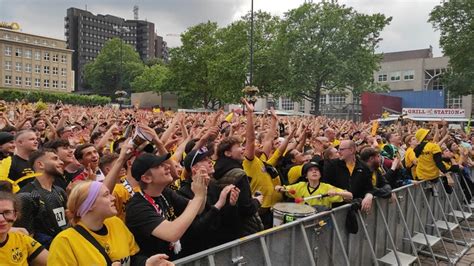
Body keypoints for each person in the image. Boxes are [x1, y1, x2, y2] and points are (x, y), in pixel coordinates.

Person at [48, 181, 174, 265]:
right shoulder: (64, 242)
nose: (113, 198)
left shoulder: (116, 223)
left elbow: (132, 258)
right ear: (89, 204)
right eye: (106, 195)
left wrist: (146, 263)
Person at [125, 153, 207, 260]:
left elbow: (198, 209)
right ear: (146, 178)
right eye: (159, 165)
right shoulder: (136, 208)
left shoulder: (164, 193)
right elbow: (172, 233)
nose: (168, 166)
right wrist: (199, 196)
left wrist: (203, 187)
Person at [15, 149, 68, 248]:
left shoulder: (60, 191)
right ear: (40, 164)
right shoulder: (26, 196)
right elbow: (26, 239)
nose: (61, 162)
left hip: (64, 248)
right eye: (55, 158)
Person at [322, 140, 374, 212]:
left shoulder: (364, 167)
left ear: (351, 150)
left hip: (358, 210)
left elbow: (369, 187)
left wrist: (369, 196)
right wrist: (341, 193)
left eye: (341, 149)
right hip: (337, 210)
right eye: (338, 149)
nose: (339, 152)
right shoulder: (331, 165)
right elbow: (325, 184)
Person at [275, 162, 352, 209]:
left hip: (322, 222)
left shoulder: (327, 187)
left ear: (320, 175)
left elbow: (350, 196)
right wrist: (279, 188)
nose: (314, 171)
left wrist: (337, 193)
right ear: (306, 176)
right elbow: (283, 189)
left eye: (316, 170)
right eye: (310, 170)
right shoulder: (300, 186)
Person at [0, 191, 48, 265]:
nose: (1, 219)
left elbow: (52, 261)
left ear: (15, 215)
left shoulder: (20, 238)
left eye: (7, 212)